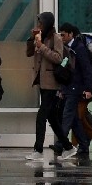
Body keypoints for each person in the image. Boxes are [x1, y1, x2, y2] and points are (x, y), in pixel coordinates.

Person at [26, 11, 70, 163]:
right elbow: (28, 53)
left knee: (41, 116)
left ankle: (38, 150)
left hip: (52, 82)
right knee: (52, 117)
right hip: (41, 81)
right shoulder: (41, 37)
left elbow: (58, 58)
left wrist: (42, 47)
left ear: (47, 23)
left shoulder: (55, 37)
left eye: (41, 23)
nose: (39, 26)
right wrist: (32, 39)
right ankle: (69, 147)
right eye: (38, 23)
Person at [59, 23, 92, 162]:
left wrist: (88, 89)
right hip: (69, 87)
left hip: (76, 88)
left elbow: (87, 69)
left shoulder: (79, 48)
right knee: (75, 118)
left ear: (71, 34)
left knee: (67, 115)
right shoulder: (68, 48)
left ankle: (61, 143)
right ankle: (83, 144)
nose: (61, 37)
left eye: (63, 34)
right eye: (60, 34)